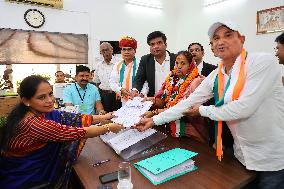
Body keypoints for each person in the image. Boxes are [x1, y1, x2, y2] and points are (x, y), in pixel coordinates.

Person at [135, 21, 284, 189]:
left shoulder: (261, 62)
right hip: (241, 157)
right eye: (216, 38)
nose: (221, 41)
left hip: (272, 159)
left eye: (228, 35)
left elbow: (243, 108)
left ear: (241, 39)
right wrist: (153, 121)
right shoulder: (217, 74)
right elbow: (187, 103)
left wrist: (202, 110)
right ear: (212, 46)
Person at [0, 75, 123, 189]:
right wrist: (109, 127)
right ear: (26, 101)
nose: (49, 100)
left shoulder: (39, 111)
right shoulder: (33, 124)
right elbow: (78, 132)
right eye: (41, 97)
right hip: (26, 176)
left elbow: (71, 117)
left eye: (50, 94)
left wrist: (103, 117)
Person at [143, 51, 209, 142]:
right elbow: (163, 101)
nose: (179, 66)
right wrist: (148, 99)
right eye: (177, 63)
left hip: (189, 129)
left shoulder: (196, 81)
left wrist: (154, 113)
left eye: (183, 63)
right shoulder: (172, 79)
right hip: (169, 126)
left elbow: (183, 108)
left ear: (190, 65)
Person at [133, 31, 176, 97]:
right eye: (152, 44)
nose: (156, 46)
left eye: (159, 43)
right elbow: (139, 79)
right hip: (153, 100)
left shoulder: (175, 58)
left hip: (173, 99)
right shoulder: (145, 60)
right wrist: (135, 90)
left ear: (166, 44)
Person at [109, 36, 148, 105]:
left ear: (135, 51)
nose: (126, 52)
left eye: (129, 49)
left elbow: (146, 82)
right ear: (121, 51)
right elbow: (112, 82)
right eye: (124, 49)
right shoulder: (117, 65)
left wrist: (142, 93)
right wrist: (120, 89)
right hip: (123, 100)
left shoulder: (141, 64)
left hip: (139, 99)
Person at [94, 42, 122, 112]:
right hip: (104, 96)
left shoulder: (120, 63)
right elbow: (97, 82)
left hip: (118, 95)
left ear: (112, 50)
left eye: (107, 50)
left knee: (118, 117)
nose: (105, 52)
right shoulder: (98, 65)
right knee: (105, 117)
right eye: (103, 51)